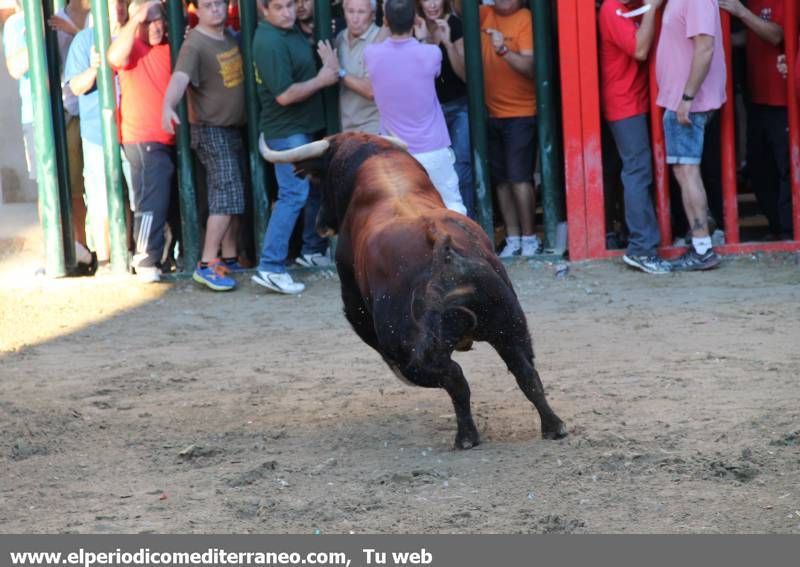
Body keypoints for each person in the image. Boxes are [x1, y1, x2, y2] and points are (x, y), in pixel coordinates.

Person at [251, 0, 339, 295]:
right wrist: (323, 78)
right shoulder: (268, 40)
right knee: (294, 193)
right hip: (287, 132)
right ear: (264, 10)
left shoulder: (287, 32)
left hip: (300, 130)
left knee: (310, 188)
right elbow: (285, 96)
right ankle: (270, 266)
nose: (288, 12)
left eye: (290, 5)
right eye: (279, 7)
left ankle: (311, 249)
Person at [162, 0, 246, 292]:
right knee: (226, 193)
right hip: (211, 129)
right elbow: (180, 77)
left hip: (231, 127)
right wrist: (168, 105)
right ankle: (207, 263)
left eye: (220, 3)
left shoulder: (228, 36)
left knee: (233, 192)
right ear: (196, 9)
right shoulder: (195, 44)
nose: (216, 9)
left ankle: (229, 257)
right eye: (209, 5)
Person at [365, 0, 467, 215]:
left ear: (385, 21)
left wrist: (387, 23)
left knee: (404, 214)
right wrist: (421, 39)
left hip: (396, 151)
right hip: (433, 149)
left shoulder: (372, 55)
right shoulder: (431, 54)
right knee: (452, 206)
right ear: (414, 20)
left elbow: (376, 44)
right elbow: (430, 66)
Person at [598, 0, 671, 274]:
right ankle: (641, 248)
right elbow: (640, 50)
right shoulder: (611, 8)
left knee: (640, 170)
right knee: (637, 171)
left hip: (641, 100)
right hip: (624, 104)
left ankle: (643, 242)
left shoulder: (633, 6)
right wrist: (653, 7)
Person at [656, 0, 727, 271]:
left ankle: (702, 248)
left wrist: (687, 97)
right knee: (686, 171)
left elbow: (705, 47)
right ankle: (701, 240)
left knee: (687, 172)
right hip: (683, 101)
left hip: (686, 104)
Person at [108, 0, 175, 282]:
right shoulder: (131, 46)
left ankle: (166, 256)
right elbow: (114, 57)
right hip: (143, 138)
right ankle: (146, 257)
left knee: (167, 202)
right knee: (151, 200)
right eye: (148, 21)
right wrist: (136, 19)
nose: (154, 26)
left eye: (157, 19)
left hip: (171, 138)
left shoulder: (170, 47)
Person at [64, 0, 131, 266]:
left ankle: (126, 254)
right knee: (102, 199)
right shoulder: (85, 40)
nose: (118, 8)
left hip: (134, 131)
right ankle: (105, 260)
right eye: (113, 3)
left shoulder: (136, 33)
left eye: (123, 2)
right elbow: (76, 88)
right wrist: (95, 68)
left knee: (131, 198)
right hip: (97, 134)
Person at [721, 0, 793, 241]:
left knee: (785, 167)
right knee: (760, 167)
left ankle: (788, 231)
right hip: (757, 97)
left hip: (782, 100)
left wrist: (741, 12)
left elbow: (776, 35)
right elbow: (748, 37)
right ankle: (776, 226)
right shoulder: (754, 1)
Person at [479, 0, 540, 257]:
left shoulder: (525, 17)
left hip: (521, 113)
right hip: (491, 112)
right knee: (502, 182)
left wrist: (503, 49)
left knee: (519, 179)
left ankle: (530, 238)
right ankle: (513, 237)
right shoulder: (484, 14)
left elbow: (531, 68)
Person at [416, 0, 475, 218]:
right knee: (430, 171)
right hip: (429, 113)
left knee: (461, 167)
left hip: (458, 106)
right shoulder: (414, 27)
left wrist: (448, 43)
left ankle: (468, 224)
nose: (432, 4)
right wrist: (423, 41)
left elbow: (465, 75)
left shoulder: (456, 24)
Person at [335, 0, 383, 134]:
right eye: (350, 11)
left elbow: (372, 90)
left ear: (373, 15)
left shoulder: (380, 39)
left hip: (372, 129)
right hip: (345, 130)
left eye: (361, 12)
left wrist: (339, 72)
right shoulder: (340, 38)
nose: (355, 18)